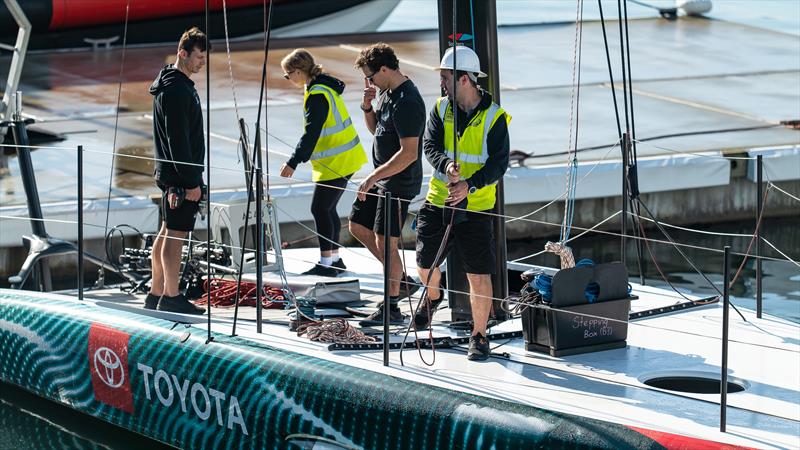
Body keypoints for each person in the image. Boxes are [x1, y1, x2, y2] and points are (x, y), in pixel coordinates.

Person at [413, 46, 511, 361]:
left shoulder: (495, 117)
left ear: (465, 79)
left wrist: (469, 185)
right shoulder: (441, 109)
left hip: (477, 208)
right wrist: (446, 166)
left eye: (446, 78)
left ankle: (479, 335)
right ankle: (433, 296)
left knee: (479, 275)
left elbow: (499, 164)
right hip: (438, 200)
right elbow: (428, 145)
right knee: (425, 266)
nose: (442, 84)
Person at [349, 43, 425, 326]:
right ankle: (400, 279)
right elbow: (377, 130)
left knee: (386, 239)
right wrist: (367, 106)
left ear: (385, 69)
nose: (369, 82)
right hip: (382, 178)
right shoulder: (386, 93)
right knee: (357, 225)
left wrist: (373, 177)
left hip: (398, 181)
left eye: (371, 76)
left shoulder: (408, 100)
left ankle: (391, 306)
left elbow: (409, 153)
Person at [279, 49, 368, 277]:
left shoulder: (317, 95)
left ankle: (327, 264)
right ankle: (334, 260)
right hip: (345, 158)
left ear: (298, 72)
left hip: (337, 161)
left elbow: (311, 134)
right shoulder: (323, 86)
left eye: (288, 75)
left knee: (319, 209)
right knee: (327, 208)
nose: (289, 80)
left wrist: (293, 162)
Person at [144, 27, 209, 314]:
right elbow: (178, 139)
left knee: (167, 231)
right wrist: (192, 180)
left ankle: (155, 291)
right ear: (183, 54)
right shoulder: (177, 89)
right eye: (198, 57)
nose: (202, 63)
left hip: (171, 174)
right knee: (176, 235)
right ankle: (171, 296)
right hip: (180, 178)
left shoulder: (171, 83)